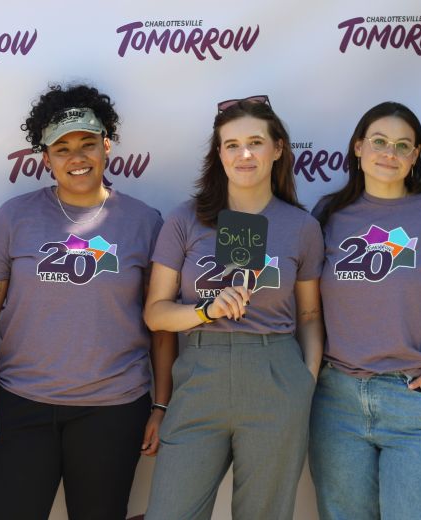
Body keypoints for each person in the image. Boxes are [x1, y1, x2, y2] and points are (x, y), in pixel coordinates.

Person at [0, 83, 176, 520]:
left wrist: (160, 404)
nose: (76, 158)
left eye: (87, 144)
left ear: (107, 146)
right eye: (61, 149)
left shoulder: (145, 222)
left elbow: (160, 323)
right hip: (21, 404)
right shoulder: (13, 217)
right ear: (45, 158)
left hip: (113, 410)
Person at [144, 96, 324, 520]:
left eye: (256, 142)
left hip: (277, 375)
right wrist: (206, 310)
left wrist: (305, 380)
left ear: (277, 149)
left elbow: (310, 316)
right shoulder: (185, 220)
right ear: (219, 153)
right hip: (199, 374)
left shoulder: (302, 227)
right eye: (231, 144)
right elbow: (156, 313)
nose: (244, 154)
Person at [308, 101, 421, 520]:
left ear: (415, 156)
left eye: (403, 146)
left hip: (420, 404)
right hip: (338, 405)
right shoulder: (328, 215)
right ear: (357, 147)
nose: (390, 153)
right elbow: (308, 311)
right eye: (380, 141)